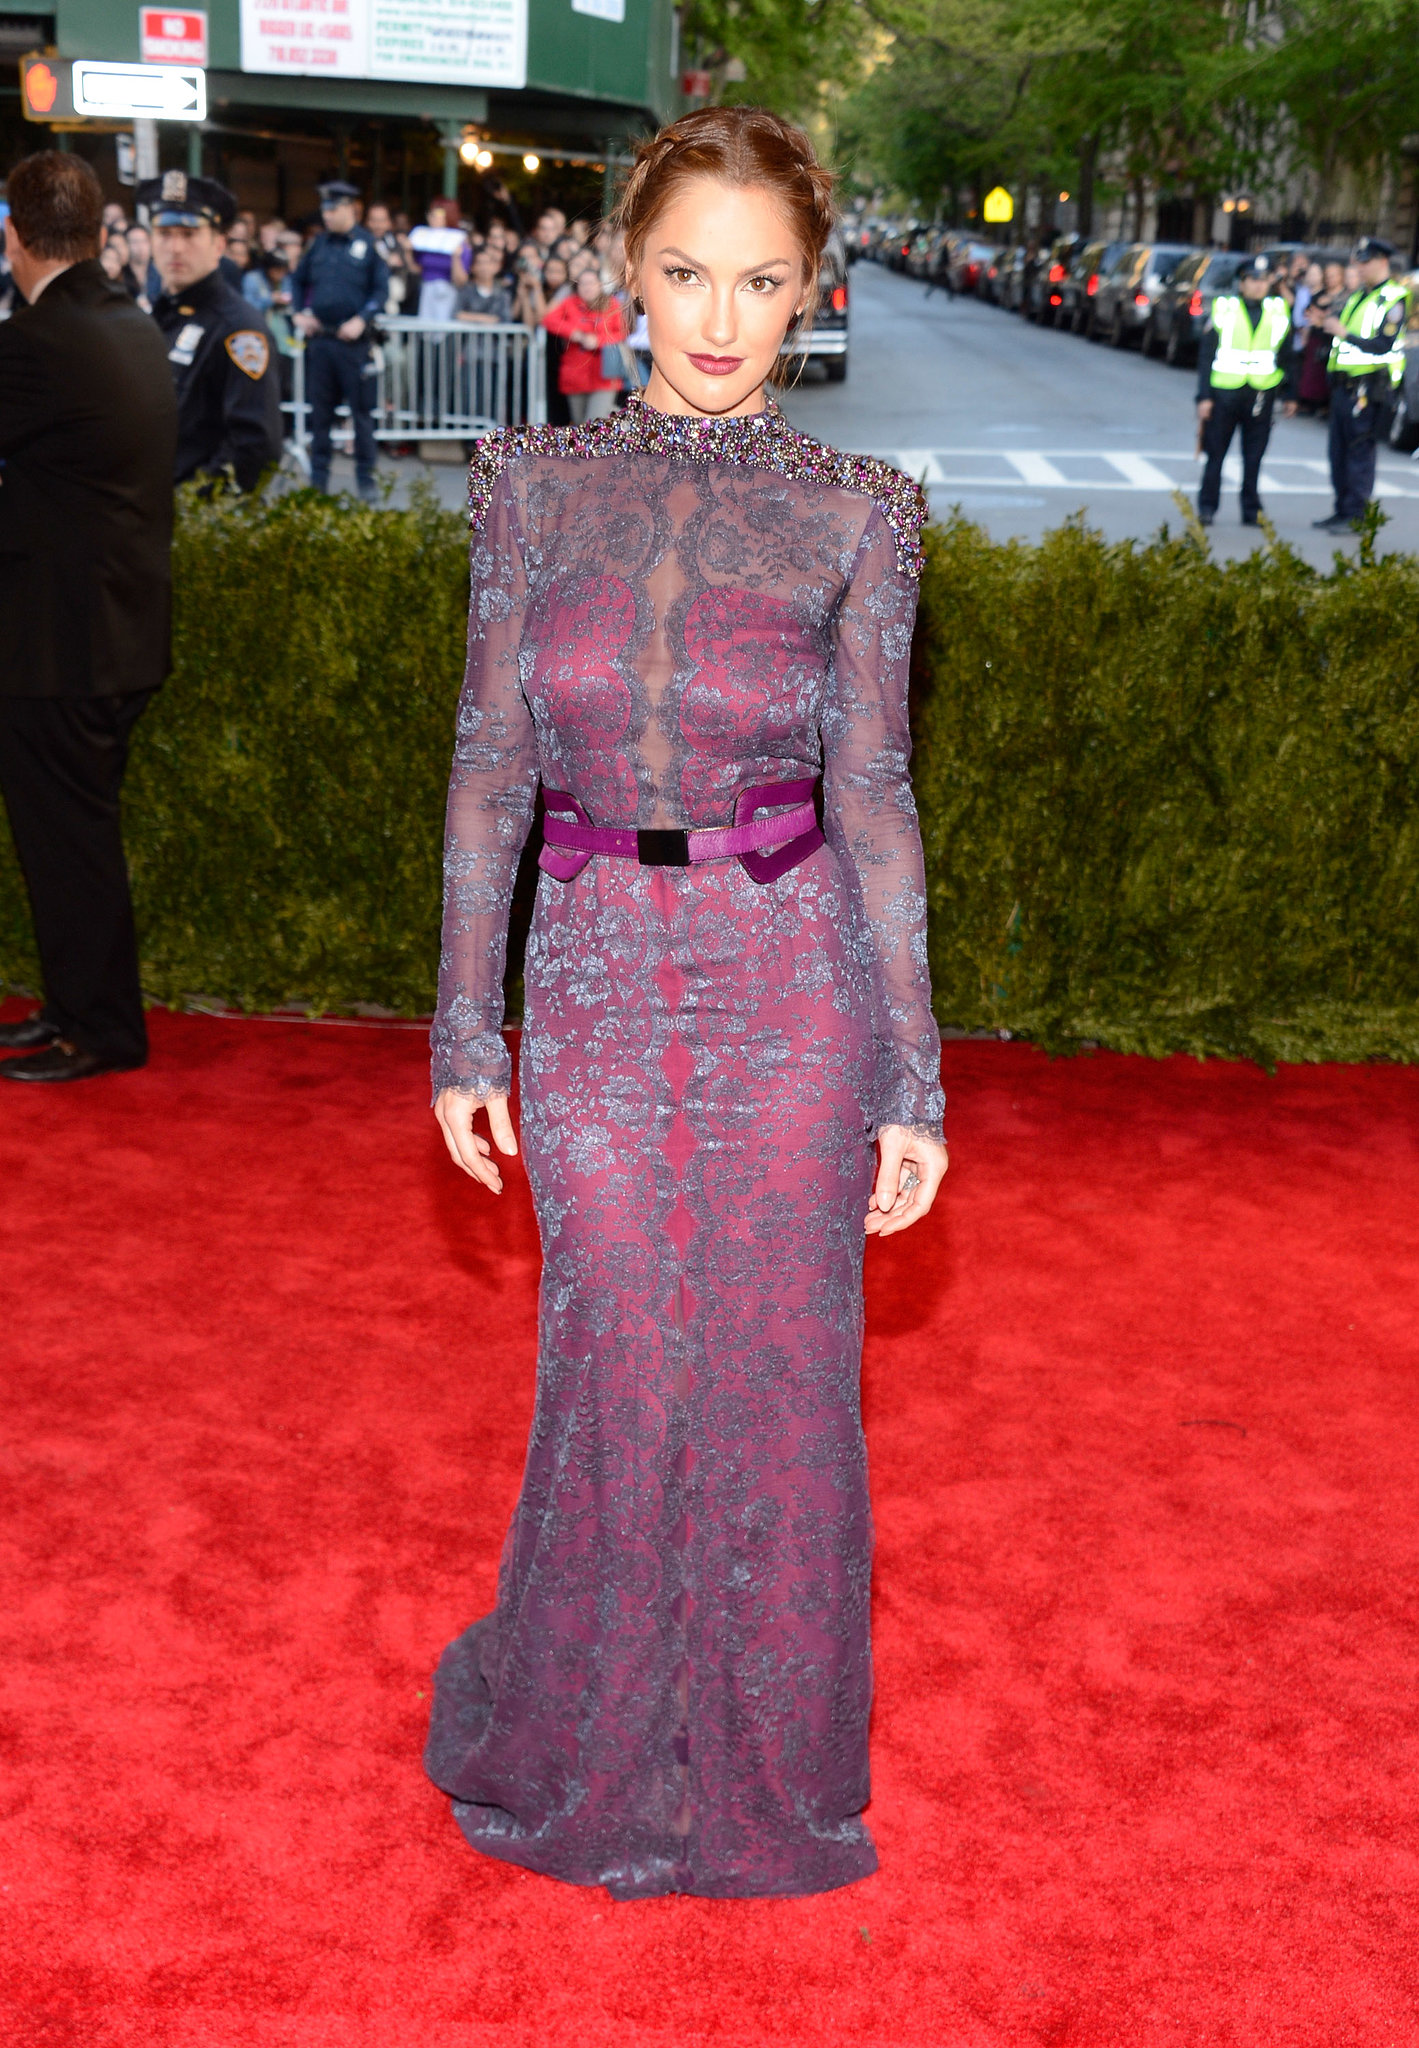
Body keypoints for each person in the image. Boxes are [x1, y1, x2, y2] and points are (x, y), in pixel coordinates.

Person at [423, 102, 948, 1901]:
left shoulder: (860, 513)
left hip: (784, 990)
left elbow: (873, 794)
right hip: (585, 990)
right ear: (623, 271)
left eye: (759, 281)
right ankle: (590, 1754)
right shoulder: (523, 487)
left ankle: (762, 1782)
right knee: (619, 1361)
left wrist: (910, 1072)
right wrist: (460, 1034)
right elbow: (490, 771)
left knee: (784, 1387)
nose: (717, 320)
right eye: (680, 274)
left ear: (809, 290)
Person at [0, 152, 177, 1083]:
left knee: (68, 848)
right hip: (112, 637)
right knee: (71, 840)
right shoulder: (130, 324)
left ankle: (101, 1029)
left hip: (62, 650)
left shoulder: (38, 342)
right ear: (100, 232)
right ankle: (73, 1008)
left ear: (14, 235)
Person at [142, 172, 282, 494]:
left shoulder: (238, 329)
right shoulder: (162, 316)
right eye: (164, 233)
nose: (175, 247)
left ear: (218, 244)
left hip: (196, 525)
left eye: (189, 234)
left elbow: (254, 446)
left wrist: (191, 506)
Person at [290, 179, 388, 503]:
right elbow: (297, 280)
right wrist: (298, 312)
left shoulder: (368, 245)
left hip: (353, 345)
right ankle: (318, 482)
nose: (327, 215)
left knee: (361, 416)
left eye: (332, 209)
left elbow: (380, 291)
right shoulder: (318, 244)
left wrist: (362, 318)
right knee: (321, 416)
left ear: (349, 208)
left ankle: (366, 481)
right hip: (322, 341)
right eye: (324, 209)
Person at [1308, 236, 1410, 533]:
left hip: (1367, 388)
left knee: (1358, 453)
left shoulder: (1394, 298)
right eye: (1359, 263)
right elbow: (1344, 335)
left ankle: (1356, 516)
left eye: (1365, 263)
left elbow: (1382, 344)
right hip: (1344, 387)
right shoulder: (1358, 296)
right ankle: (1342, 509)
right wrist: (1326, 327)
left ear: (1382, 261)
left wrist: (1342, 333)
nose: (1360, 268)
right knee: (1338, 453)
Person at [1195, 254, 1294, 527]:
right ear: (1242, 283)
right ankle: (1207, 507)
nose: (1259, 285)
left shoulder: (1278, 310)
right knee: (1216, 455)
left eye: (1263, 280)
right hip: (1224, 392)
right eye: (1253, 280)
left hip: (1261, 393)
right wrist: (1203, 397)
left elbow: (1287, 355)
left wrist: (1290, 394)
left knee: (1254, 458)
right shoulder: (1223, 308)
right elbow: (1206, 356)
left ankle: (1251, 511)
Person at [541, 261, 625, 420]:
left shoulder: (612, 304)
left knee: (594, 422)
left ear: (600, 284)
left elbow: (622, 333)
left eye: (591, 283)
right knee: (580, 425)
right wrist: (574, 333)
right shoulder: (569, 303)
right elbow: (548, 320)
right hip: (575, 374)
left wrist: (599, 340)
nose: (587, 287)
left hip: (604, 374)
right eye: (583, 284)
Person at [409, 197, 469, 320]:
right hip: (425, 291)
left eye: (437, 214)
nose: (432, 218)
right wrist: (407, 251)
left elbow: (461, 280)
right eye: (431, 214)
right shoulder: (423, 240)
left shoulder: (460, 241)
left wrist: (456, 257)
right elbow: (416, 269)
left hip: (447, 292)